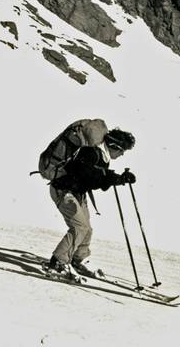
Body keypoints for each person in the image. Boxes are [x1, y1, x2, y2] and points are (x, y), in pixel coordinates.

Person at [45, 119, 136, 278]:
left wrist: (116, 179)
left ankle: (78, 259)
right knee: (80, 227)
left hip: (77, 192)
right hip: (63, 191)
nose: (122, 155)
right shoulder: (91, 152)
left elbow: (95, 177)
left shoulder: (101, 155)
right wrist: (115, 178)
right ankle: (58, 262)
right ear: (114, 146)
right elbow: (89, 176)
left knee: (87, 229)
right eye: (122, 151)